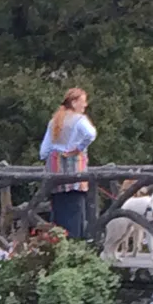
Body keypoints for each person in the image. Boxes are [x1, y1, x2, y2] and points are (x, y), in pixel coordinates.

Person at [39, 88, 96, 240]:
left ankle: (58, 248)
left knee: (59, 216)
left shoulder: (54, 121)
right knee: (76, 216)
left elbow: (43, 152)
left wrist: (57, 155)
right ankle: (75, 249)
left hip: (56, 176)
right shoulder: (79, 120)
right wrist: (77, 149)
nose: (85, 105)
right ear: (74, 102)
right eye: (83, 101)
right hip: (75, 177)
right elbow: (91, 134)